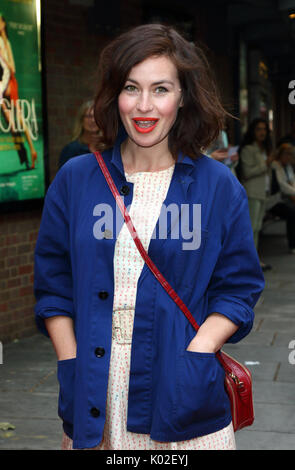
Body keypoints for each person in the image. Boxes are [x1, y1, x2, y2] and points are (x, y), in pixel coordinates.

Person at [34, 24, 265, 450]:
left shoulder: (217, 186)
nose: (144, 106)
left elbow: (238, 288)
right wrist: (70, 365)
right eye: (131, 88)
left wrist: (196, 353)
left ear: (183, 97)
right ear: (114, 95)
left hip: (182, 397)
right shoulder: (75, 180)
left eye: (160, 89)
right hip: (94, 396)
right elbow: (54, 287)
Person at [0, 13, 37, 169]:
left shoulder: (5, 42)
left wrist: (3, 57)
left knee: (20, 120)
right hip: (3, 83)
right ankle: (26, 155)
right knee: (12, 126)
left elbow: (12, 68)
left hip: (8, 82)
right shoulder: (4, 41)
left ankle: (32, 150)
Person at [239, 118, 273, 271]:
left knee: (258, 227)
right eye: (259, 129)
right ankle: (249, 262)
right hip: (252, 191)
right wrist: (265, 164)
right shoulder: (248, 149)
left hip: (263, 191)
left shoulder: (264, 149)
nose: (262, 132)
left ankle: (255, 259)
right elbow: (247, 172)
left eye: (264, 129)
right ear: (253, 131)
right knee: (251, 228)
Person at [58, 100, 101, 169]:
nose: (93, 120)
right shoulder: (71, 150)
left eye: (96, 116)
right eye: (89, 116)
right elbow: (64, 177)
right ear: (81, 120)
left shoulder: (107, 147)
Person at [269, 143, 295, 253]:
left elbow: (293, 182)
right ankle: (293, 245)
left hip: (287, 198)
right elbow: (282, 186)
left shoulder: (288, 167)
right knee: (292, 212)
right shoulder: (275, 166)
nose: (288, 157)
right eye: (285, 154)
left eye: (290, 154)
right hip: (275, 201)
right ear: (280, 154)